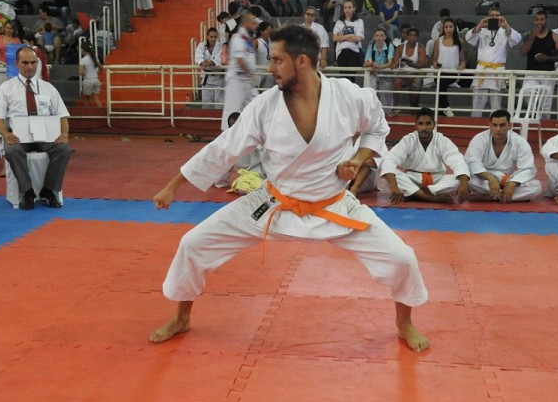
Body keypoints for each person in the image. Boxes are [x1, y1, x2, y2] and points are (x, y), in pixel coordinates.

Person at [150, 25, 430, 352]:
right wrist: (173, 185)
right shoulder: (265, 106)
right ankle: (181, 317)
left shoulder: (348, 96)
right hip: (274, 202)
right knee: (193, 243)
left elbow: (377, 128)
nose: (269, 68)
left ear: (301, 61)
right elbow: (223, 149)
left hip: (333, 205)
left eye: (276, 60)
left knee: (402, 258)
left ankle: (404, 324)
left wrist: (357, 159)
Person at [0, 46, 71, 210]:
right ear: (16, 64)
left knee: (64, 149)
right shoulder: (6, 88)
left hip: (46, 136)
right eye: (25, 63)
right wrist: (6, 134)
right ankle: (27, 192)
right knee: (12, 150)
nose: (30, 67)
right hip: (19, 137)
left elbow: (63, 115)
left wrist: (64, 134)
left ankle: (49, 190)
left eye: (33, 63)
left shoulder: (48, 88)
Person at [380, 107, 470, 204]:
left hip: (436, 180)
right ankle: (428, 197)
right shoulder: (408, 140)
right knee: (391, 175)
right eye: (421, 124)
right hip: (412, 178)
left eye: (428, 124)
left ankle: (415, 194)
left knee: (459, 179)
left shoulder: (442, 140)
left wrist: (463, 183)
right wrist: (394, 187)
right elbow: (390, 160)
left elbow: (457, 161)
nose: (424, 128)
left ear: (433, 125)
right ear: (416, 125)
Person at [464, 109, 542, 202]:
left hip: (506, 180)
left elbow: (527, 168)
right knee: (467, 181)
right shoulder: (479, 139)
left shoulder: (519, 142)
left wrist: (512, 183)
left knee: (536, 187)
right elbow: (472, 163)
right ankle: (504, 196)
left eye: (502, 125)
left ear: (509, 126)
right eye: (495, 125)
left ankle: (489, 197)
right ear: (490, 125)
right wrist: (490, 178)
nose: (498, 129)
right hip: (484, 180)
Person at [466, 4, 521, 118]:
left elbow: (517, 40)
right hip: (482, 70)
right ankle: (475, 122)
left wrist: (506, 26)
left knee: (496, 106)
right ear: (488, 17)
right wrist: (480, 25)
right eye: (492, 16)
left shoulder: (505, 31)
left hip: (497, 71)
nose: (495, 17)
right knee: (476, 105)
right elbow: (469, 38)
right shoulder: (482, 30)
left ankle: (497, 125)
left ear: (501, 17)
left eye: (497, 15)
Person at [519, 10, 558, 116]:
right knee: (526, 92)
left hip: (548, 73)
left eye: (542, 19)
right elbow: (523, 52)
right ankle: (535, 115)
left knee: (545, 103)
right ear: (534, 21)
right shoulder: (528, 35)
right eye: (537, 20)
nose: (539, 22)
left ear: (547, 20)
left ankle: (544, 120)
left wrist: (547, 58)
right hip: (531, 72)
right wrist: (533, 36)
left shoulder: (554, 36)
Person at [220, 13, 258, 131]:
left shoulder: (247, 39)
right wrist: (251, 75)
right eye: (252, 23)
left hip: (247, 81)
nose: (255, 25)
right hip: (237, 80)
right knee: (232, 109)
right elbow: (240, 60)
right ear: (245, 23)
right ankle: (226, 136)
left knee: (256, 106)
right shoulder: (238, 38)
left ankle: (254, 136)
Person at [431, 17, 465, 117]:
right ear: (443, 29)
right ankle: (444, 109)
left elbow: (462, 59)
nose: (448, 29)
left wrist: (462, 65)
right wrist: (435, 65)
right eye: (446, 27)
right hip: (440, 72)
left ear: (454, 28)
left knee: (441, 82)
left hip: (453, 73)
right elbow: (434, 59)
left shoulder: (459, 41)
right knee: (440, 81)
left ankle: (444, 108)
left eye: (451, 27)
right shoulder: (438, 41)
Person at [389, 26, 427, 113]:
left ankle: (413, 108)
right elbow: (395, 62)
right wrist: (397, 63)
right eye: (410, 35)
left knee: (416, 84)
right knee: (397, 82)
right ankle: (395, 107)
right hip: (403, 74)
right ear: (407, 36)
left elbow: (423, 63)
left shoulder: (421, 48)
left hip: (416, 74)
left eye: (414, 35)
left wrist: (412, 64)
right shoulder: (400, 47)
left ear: (417, 37)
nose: (412, 37)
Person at [332, 0, 363, 82]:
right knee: (343, 79)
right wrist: (351, 35)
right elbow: (335, 38)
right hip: (341, 52)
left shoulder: (359, 21)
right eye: (345, 7)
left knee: (351, 79)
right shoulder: (339, 22)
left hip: (354, 51)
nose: (347, 10)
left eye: (349, 7)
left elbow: (358, 38)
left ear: (354, 8)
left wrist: (342, 37)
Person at [363, 27, 393, 112]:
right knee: (370, 90)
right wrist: (372, 64)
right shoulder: (371, 46)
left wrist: (377, 67)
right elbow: (367, 62)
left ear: (385, 37)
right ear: (374, 37)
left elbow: (390, 63)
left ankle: (387, 111)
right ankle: (370, 110)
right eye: (377, 35)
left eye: (381, 35)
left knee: (386, 92)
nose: (379, 38)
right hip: (374, 72)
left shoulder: (389, 46)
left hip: (385, 72)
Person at [195, 27, 224, 109]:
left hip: (219, 78)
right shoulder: (201, 45)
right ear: (207, 36)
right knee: (206, 104)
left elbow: (220, 58)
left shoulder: (221, 46)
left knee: (219, 104)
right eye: (211, 37)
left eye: (215, 37)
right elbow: (198, 56)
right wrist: (202, 62)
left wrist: (210, 62)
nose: (213, 39)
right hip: (206, 78)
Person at [79, 42, 101, 106]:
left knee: (86, 100)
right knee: (97, 99)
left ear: (83, 50)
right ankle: (101, 110)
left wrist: (84, 70)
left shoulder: (83, 60)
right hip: (96, 80)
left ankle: (88, 111)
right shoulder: (95, 58)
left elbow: (80, 72)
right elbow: (101, 67)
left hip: (88, 81)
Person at [255, 21, 274, 89]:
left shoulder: (271, 41)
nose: (270, 32)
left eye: (271, 30)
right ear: (262, 31)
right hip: (259, 71)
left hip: (269, 71)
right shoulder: (257, 42)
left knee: (268, 91)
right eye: (267, 30)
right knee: (258, 90)